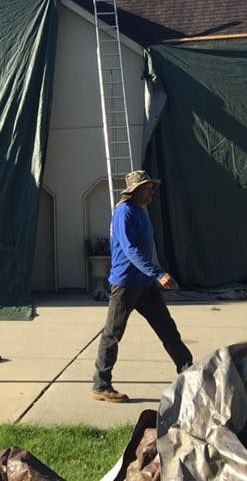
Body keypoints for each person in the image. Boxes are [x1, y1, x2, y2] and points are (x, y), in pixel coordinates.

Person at [91, 170, 192, 402]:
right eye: (147, 188)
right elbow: (131, 249)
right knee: (112, 335)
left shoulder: (140, 211)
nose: (151, 191)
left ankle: (189, 373)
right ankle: (101, 385)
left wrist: (152, 275)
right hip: (126, 284)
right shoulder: (124, 212)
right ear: (134, 191)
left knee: (167, 329)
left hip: (145, 284)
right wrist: (158, 273)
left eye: (152, 187)